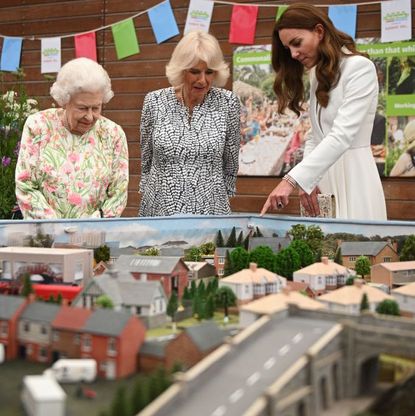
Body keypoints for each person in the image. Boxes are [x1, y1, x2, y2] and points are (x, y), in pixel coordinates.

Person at [261, 3, 387, 220]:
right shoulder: (316, 74)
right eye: (288, 48)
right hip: (323, 180)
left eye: (296, 43)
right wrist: (309, 181)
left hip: (354, 177)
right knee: (324, 250)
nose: (293, 54)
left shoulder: (359, 68)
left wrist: (291, 180)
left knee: (354, 248)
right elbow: (315, 136)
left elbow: (341, 135)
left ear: (319, 31)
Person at [138, 31, 241, 217]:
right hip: (160, 209)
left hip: (210, 210)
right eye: (195, 71)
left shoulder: (228, 103)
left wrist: (218, 198)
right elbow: (146, 161)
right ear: (181, 69)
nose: (203, 80)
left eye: (209, 72)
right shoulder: (154, 101)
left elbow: (231, 162)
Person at [15, 58, 129, 219]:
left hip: (94, 236)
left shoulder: (113, 134)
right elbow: (25, 185)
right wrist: (57, 230)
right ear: (64, 101)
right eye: (82, 108)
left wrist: (88, 230)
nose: (90, 117)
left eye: (96, 108)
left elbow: (118, 194)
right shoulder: (38, 126)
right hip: (45, 236)